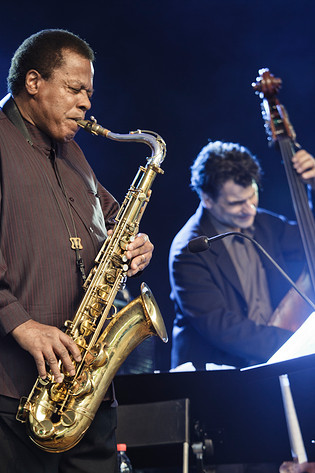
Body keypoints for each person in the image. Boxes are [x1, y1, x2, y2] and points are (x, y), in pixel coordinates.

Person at [0, 29, 154, 473]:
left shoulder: (73, 153)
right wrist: (22, 324)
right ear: (34, 82)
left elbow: (111, 217)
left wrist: (135, 244)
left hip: (85, 392)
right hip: (15, 395)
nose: (86, 103)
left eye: (88, 91)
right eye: (74, 89)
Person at [169, 140, 315, 371]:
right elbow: (222, 327)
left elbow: (311, 239)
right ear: (207, 199)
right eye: (237, 202)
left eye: (253, 196)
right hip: (215, 379)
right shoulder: (188, 249)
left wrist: (313, 186)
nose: (250, 209)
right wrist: (298, 346)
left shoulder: (265, 223)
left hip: (266, 365)